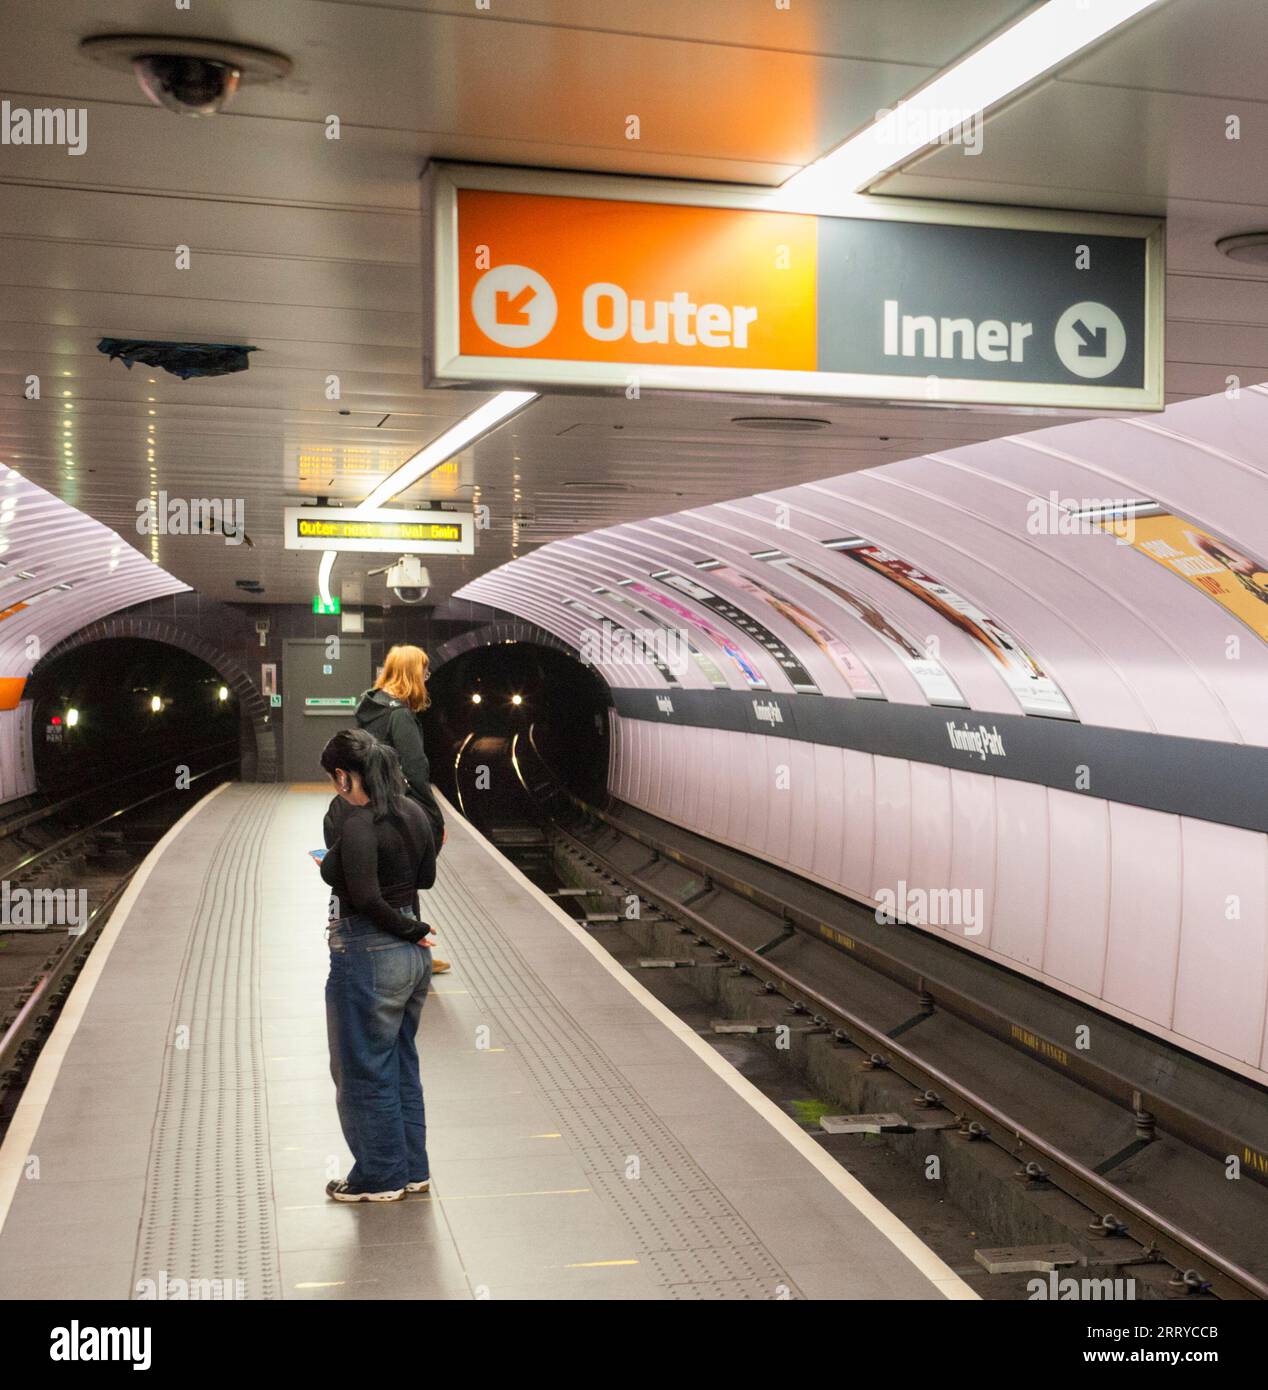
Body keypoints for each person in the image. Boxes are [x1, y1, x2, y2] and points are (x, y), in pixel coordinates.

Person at [318, 728, 437, 1203]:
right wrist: (414, 930)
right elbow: (424, 877)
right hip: (411, 961)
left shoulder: (357, 822)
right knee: (400, 1062)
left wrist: (407, 930)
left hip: (370, 951)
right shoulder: (414, 813)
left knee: (362, 1068)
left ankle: (379, 1175)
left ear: (346, 777)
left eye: (333, 777)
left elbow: (366, 898)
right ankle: (412, 1170)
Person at [330, 643, 452, 975]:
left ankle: (404, 948)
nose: (427, 678)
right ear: (413, 673)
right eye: (424, 672)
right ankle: (412, 949)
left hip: (367, 808)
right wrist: (432, 817)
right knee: (404, 884)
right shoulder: (399, 714)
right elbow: (415, 768)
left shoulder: (370, 707)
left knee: (381, 883)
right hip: (397, 812)